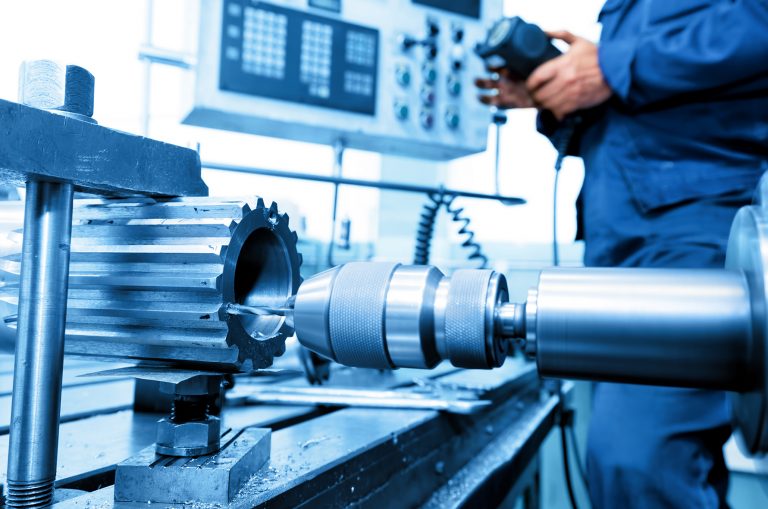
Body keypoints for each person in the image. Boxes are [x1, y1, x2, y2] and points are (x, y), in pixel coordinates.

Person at [476, 1, 768, 508]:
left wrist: (613, 65)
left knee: (637, 460)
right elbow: (647, 121)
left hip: (693, 235)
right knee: (639, 465)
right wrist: (560, 96)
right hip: (624, 242)